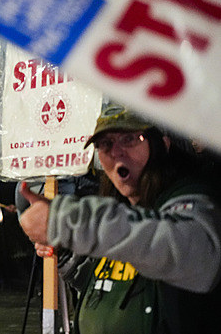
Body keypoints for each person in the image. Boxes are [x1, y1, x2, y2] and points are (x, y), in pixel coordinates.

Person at [18, 104, 221, 334]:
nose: (116, 152)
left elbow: (185, 250)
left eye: (129, 139)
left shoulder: (196, 199)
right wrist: (65, 253)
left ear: (161, 144)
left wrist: (69, 222)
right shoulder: (120, 212)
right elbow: (108, 288)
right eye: (105, 144)